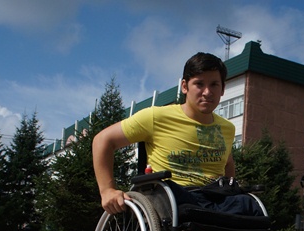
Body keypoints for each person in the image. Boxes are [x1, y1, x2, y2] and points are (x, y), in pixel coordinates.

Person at [92, 52, 262, 217]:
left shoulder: (227, 128)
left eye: (214, 84)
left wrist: (229, 188)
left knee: (250, 205)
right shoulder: (156, 117)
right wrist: (107, 190)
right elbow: (103, 140)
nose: (207, 92)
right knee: (178, 203)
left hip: (214, 198)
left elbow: (228, 162)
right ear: (184, 86)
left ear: (223, 89)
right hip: (174, 195)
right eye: (199, 84)